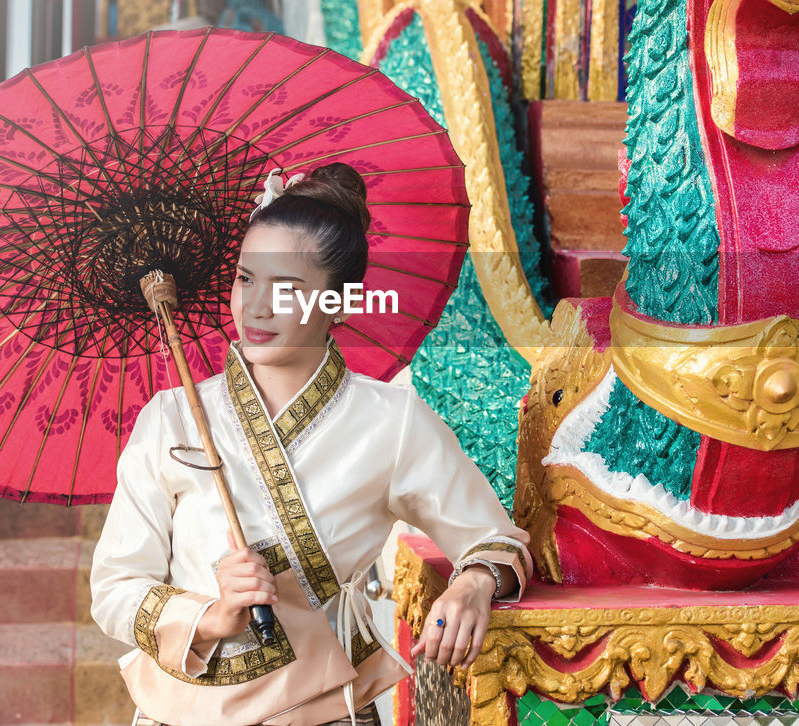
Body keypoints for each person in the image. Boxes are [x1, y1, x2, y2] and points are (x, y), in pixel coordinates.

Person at [90, 163, 532, 726]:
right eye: (246, 279)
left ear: (338, 304)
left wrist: (473, 584)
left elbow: (494, 538)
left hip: (322, 710)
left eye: (287, 288)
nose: (256, 307)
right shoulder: (171, 417)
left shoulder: (390, 421)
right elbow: (114, 589)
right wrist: (211, 615)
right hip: (176, 711)